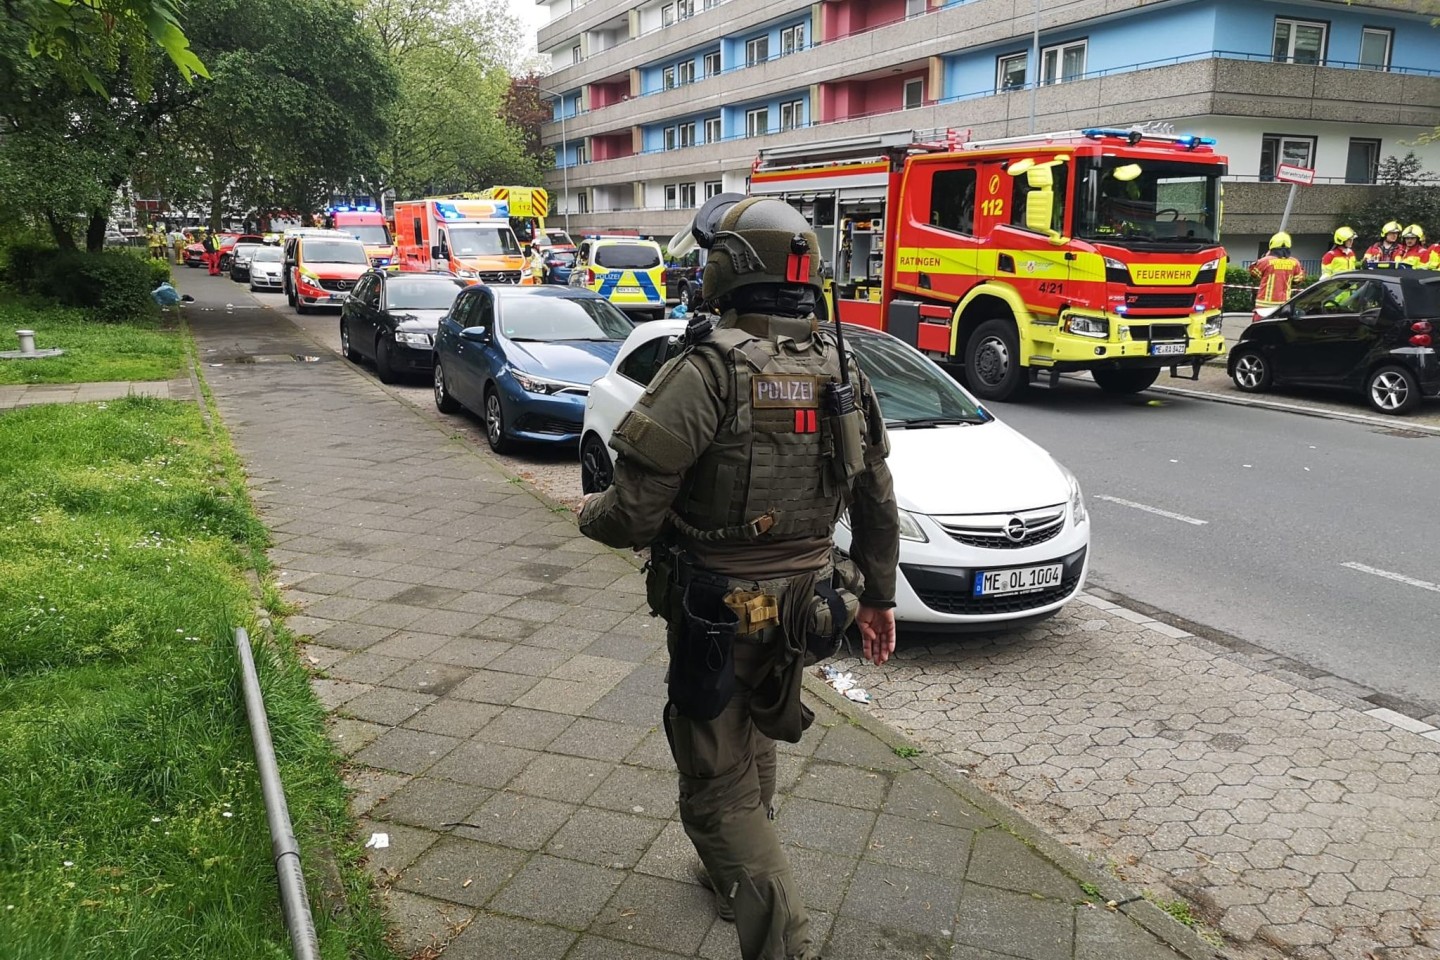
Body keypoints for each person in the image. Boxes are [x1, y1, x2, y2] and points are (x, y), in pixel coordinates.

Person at [578, 195, 900, 960]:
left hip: (719, 610)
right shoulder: (838, 365)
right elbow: (877, 497)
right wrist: (879, 599)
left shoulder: (709, 370)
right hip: (812, 607)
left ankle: (780, 938)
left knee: (714, 786)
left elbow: (633, 513)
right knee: (757, 728)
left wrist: (588, 513)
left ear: (727, 269)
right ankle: (730, 882)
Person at [1249, 231, 1304, 317]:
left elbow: (1254, 274)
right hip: (1283, 304)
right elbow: (1298, 280)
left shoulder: (1265, 261)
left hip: (1264, 305)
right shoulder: (1295, 262)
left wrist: (1264, 257)